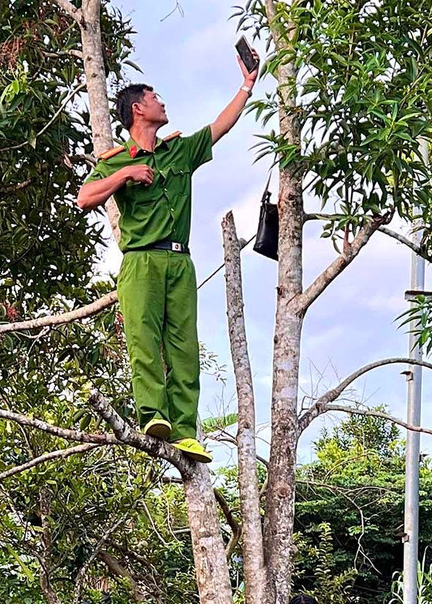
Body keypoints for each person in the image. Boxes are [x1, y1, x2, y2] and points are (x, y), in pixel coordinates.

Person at [76, 48, 261, 465]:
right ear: (138, 109)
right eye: (156, 97)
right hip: (140, 261)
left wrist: (247, 85)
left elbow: (220, 127)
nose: (163, 103)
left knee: (183, 347)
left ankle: (185, 431)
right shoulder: (116, 161)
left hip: (180, 260)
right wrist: (125, 174)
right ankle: (152, 415)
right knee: (144, 338)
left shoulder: (178, 151)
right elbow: (84, 199)